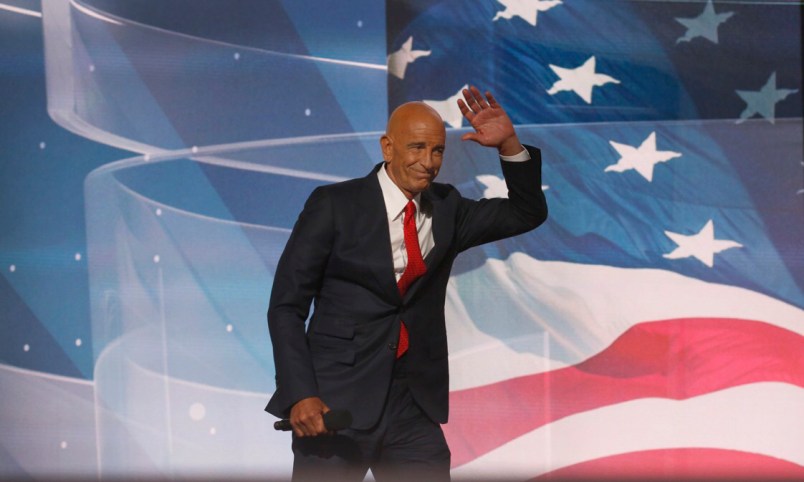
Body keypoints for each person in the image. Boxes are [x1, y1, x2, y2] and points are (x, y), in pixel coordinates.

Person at [266, 85, 548, 481]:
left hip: (412, 404)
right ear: (388, 147)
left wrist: (510, 146)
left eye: (437, 151)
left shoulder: (449, 209)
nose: (428, 162)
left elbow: (526, 212)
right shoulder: (334, 205)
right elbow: (286, 307)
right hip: (336, 399)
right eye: (416, 148)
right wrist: (301, 394)